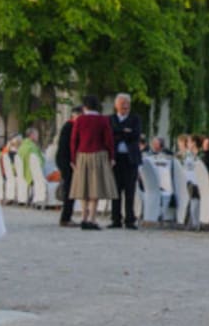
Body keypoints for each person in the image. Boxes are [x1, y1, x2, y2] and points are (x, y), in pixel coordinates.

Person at [69, 95, 117, 230]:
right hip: (98, 155)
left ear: (85, 107)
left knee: (83, 187)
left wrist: (73, 158)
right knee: (95, 188)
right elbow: (109, 140)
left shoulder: (80, 120)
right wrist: (111, 156)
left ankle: (83, 217)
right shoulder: (103, 120)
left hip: (82, 155)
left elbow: (74, 140)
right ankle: (92, 218)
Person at [110, 93, 143, 229]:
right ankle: (115, 219)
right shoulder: (110, 119)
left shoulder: (135, 118)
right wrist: (124, 132)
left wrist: (120, 132)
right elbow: (111, 134)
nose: (125, 106)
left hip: (130, 158)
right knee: (115, 189)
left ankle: (130, 219)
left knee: (130, 190)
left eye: (127, 104)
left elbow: (136, 134)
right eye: (122, 103)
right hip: (116, 158)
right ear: (116, 105)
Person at [54, 108, 79, 225]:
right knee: (70, 189)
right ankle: (65, 218)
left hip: (64, 160)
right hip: (67, 161)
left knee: (70, 188)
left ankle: (66, 216)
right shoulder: (70, 127)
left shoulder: (68, 126)